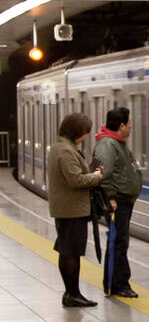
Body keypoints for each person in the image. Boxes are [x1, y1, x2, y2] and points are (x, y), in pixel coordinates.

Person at [47, 112, 103, 308]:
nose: (85, 137)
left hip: (68, 208)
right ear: (76, 132)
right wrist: (96, 177)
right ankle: (71, 294)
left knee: (70, 251)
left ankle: (73, 293)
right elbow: (76, 180)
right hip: (71, 210)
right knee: (70, 252)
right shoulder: (65, 151)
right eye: (84, 133)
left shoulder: (61, 148)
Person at [92, 106, 143, 297]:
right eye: (129, 124)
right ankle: (116, 284)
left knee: (121, 241)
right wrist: (111, 196)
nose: (130, 127)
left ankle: (119, 282)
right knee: (118, 242)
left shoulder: (116, 142)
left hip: (123, 200)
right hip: (118, 202)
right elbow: (104, 174)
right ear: (121, 125)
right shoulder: (108, 144)